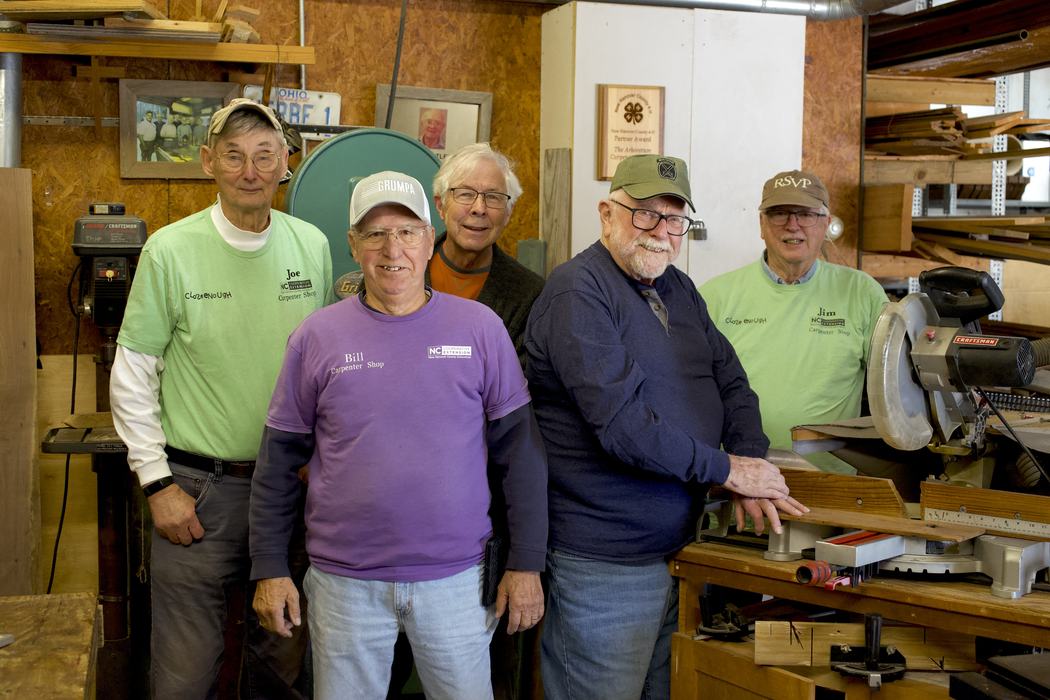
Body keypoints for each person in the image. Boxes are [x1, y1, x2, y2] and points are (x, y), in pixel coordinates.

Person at [249, 170, 548, 700]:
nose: (393, 249)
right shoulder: (316, 337)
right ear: (353, 244)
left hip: (456, 582)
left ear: (430, 240)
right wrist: (270, 567)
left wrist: (526, 562)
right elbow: (277, 464)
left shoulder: (480, 329)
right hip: (345, 585)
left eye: (408, 232)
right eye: (375, 234)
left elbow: (520, 456)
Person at [524, 154, 807, 700]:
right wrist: (725, 469)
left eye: (675, 219)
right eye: (645, 214)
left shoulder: (678, 286)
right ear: (607, 213)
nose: (661, 232)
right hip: (605, 564)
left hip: (680, 550)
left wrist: (749, 463)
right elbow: (624, 426)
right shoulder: (577, 293)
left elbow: (733, 383)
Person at [110, 97, 333, 699]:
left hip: (291, 490)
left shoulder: (311, 245)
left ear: (285, 163)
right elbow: (133, 373)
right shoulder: (169, 250)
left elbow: (325, 368)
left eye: (264, 155)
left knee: (283, 667)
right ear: (209, 162)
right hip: (197, 494)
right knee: (184, 676)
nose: (250, 171)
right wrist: (157, 484)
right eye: (234, 156)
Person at [700, 170, 887, 473]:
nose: (792, 225)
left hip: (830, 481)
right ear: (762, 224)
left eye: (805, 214)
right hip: (738, 478)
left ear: (826, 223)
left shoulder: (861, 292)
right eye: (779, 213)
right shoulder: (715, 296)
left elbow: (893, 383)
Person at [430, 142, 544, 362]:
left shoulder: (530, 295)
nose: (479, 209)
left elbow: (521, 378)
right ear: (441, 206)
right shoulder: (401, 273)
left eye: (493, 197)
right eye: (465, 194)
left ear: (508, 213)